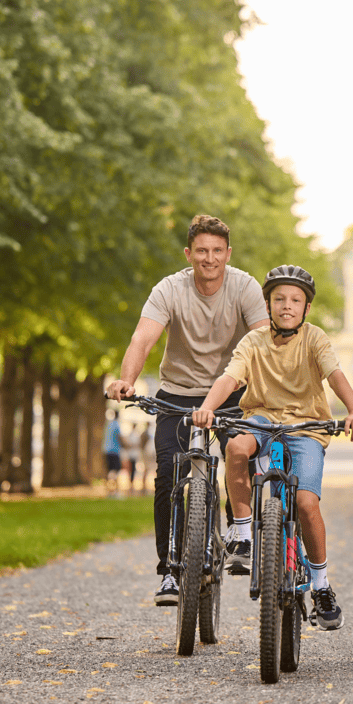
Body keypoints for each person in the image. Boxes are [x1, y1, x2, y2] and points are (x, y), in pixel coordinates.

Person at [105, 214, 269, 606]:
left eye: (216, 251)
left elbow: (264, 341)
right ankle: (169, 571)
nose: (209, 259)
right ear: (188, 254)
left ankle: (238, 532)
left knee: (240, 456)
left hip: (231, 394)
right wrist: (127, 380)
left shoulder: (244, 286)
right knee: (167, 477)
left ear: (228, 254)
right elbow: (142, 338)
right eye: (201, 251)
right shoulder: (169, 289)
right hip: (177, 394)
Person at [191, 265, 353, 630]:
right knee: (236, 448)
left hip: (307, 428)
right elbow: (230, 376)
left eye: (296, 300)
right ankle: (241, 531)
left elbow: (334, 375)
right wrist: (208, 406)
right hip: (262, 419)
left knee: (305, 502)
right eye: (279, 299)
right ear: (268, 305)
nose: (287, 306)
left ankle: (321, 586)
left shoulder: (315, 338)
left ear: (305, 308)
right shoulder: (253, 341)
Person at [104, 410, 124, 496]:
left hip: (107, 450)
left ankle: (110, 491)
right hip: (114, 451)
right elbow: (120, 438)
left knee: (110, 471)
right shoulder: (116, 425)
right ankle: (114, 491)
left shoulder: (109, 425)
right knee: (115, 471)